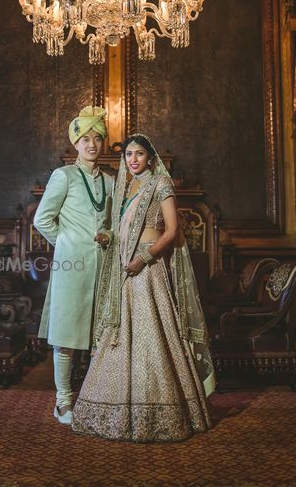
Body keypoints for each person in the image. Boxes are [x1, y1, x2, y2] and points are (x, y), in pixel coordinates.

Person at [72, 133, 215, 442]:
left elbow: (173, 231)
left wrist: (145, 258)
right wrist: (109, 238)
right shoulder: (125, 189)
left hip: (149, 270)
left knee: (154, 334)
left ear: (151, 158)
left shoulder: (161, 185)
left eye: (138, 154)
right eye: (128, 155)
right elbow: (124, 230)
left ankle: (165, 409)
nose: (133, 159)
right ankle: (115, 407)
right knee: (120, 335)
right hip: (126, 268)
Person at [34, 106, 113, 425]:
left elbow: (114, 222)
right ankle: (63, 403)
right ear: (75, 144)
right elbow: (42, 219)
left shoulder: (111, 180)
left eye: (97, 138)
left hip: (105, 268)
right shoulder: (63, 175)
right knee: (66, 336)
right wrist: (67, 243)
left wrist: (108, 234)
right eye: (85, 139)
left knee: (101, 336)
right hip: (72, 266)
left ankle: (94, 398)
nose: (92, 144)